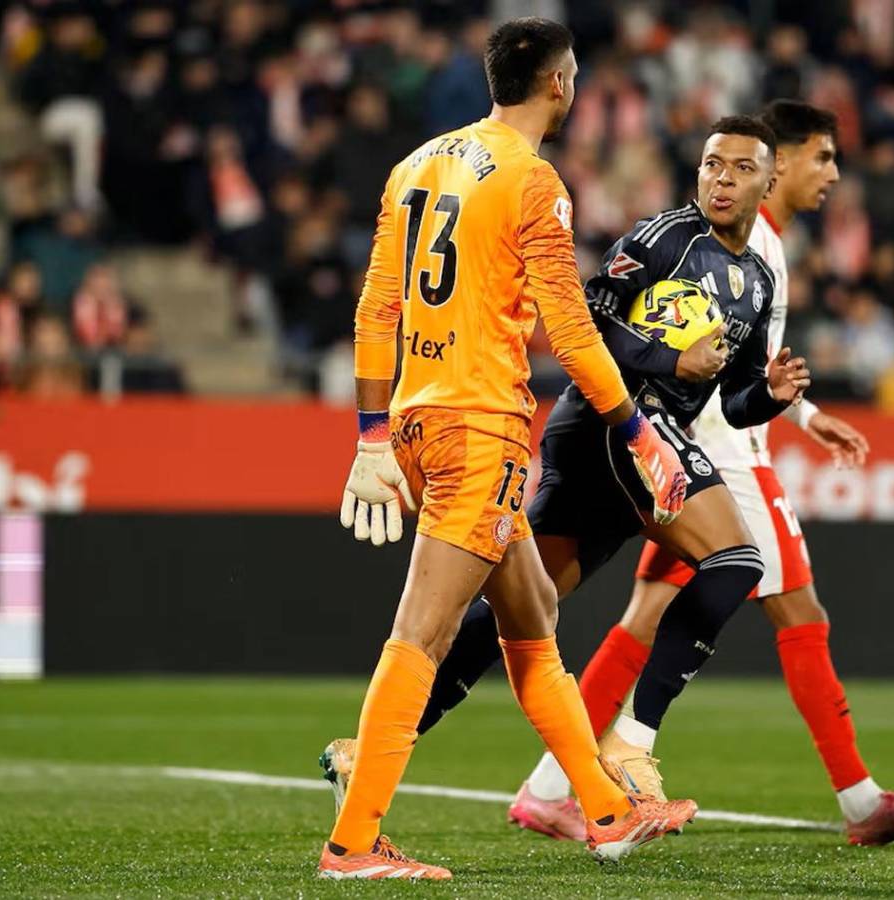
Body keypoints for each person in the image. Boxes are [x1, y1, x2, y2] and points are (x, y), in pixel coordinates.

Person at [321, 113, 812, 831]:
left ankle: (364, 752)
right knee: (738, 560)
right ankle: (634, 745)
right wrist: (670, 361)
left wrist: (767, 394)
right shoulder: (663, 239)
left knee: (527, 609)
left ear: (768, 182)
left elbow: (731, 402)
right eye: (712, 164)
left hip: (633, 435)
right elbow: (590, 321)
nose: (721, 179)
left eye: (739, 168)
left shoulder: (758, 284)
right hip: (619, 423)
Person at [509, 102, 894, 846]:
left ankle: (550, 786)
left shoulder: (760, 252)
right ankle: (857, 800)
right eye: (822, 157)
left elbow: (749, 371)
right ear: (780, 164)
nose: (832, 174)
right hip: (717, 456)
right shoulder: (736, 247)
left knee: (641, 615)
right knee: (800, 612)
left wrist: (805, 414)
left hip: (693, 442)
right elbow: (642, 339)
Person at [320, 17, 697, 882]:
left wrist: (372, 435)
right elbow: (568, 324)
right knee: (422, 630)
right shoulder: (533, 180)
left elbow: (378, 310)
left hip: (417, 420)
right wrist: (637, 431)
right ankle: (352, 844)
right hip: (479, 426)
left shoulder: (416, 164)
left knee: (532, 616)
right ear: (559, 83)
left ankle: (602, 811)